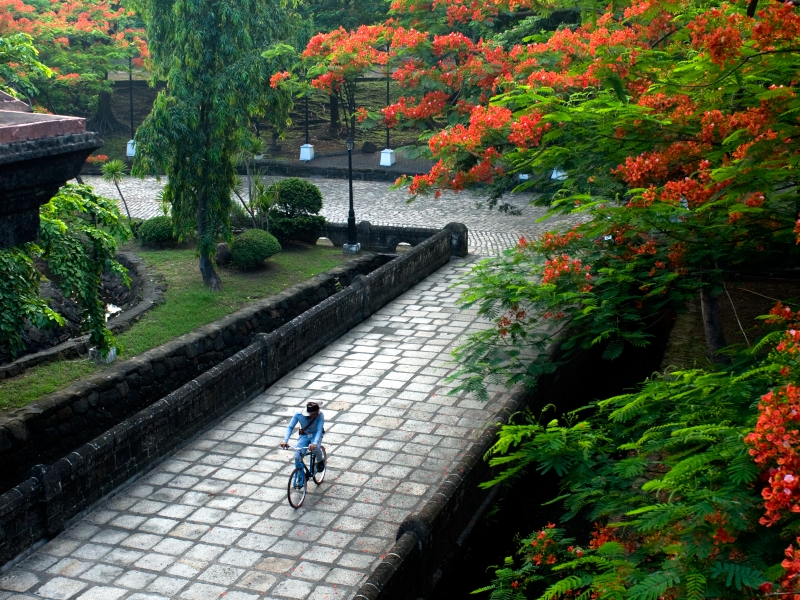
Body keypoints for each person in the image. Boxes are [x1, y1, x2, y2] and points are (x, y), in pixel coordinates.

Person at [280, 401, 325, 472]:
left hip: (315, 434)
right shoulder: (298, 414)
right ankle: (300, 477)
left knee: (315, 449)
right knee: (297, 457)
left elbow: (319, 430)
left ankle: (320, 461)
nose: (317, 413)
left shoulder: (320, 415)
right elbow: (290, 427)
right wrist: (285, 440)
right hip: (304, 434)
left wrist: (315, 443)